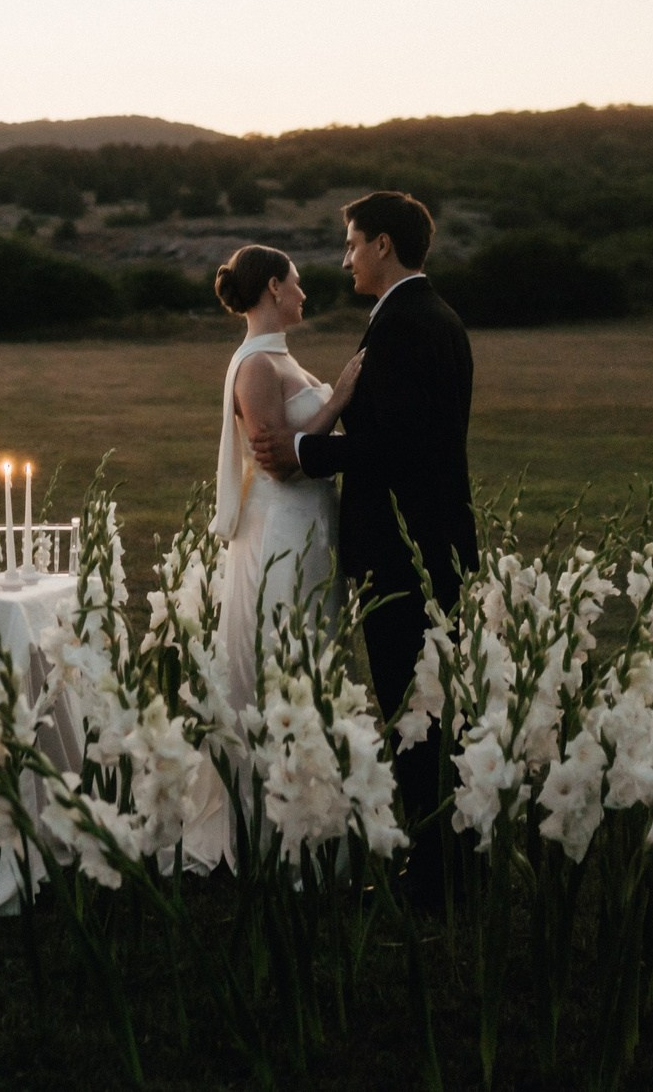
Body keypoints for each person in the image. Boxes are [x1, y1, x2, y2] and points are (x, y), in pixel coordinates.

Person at [251, 190, 477, 898]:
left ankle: (436, 871)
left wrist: (306, 452)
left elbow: (401, 444)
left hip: (405, 547)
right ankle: (453, 851)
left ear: (383, 244)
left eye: (352, 243)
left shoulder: (405, 325)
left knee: (414, 708)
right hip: (432, 538)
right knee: (431, 705)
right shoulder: (429, 315)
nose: (345, 258)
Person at [185, 243, 363, 870]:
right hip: (282, 530)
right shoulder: (256, 366)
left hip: (311, 526)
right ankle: (272, 831)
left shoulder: (278, 357)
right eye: (295, 283)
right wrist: (339, 397)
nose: (303, 293)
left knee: (312, 657)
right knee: (284, 657)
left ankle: (313, 817)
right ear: (269, 289)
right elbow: (279, 463)